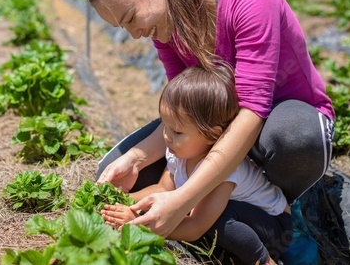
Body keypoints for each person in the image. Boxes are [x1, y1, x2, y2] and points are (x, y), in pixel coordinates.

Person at [85, 0, 335, 240]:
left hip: (277, 121)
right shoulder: (166, 24)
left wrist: (182, 199)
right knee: (116, 176)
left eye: (132, 17)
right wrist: (135, 159)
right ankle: (229, 209)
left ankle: (288, 209)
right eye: (123, 27)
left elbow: (253, 110)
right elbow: (183, 113)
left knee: (293, 140)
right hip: (220, 123)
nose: (135, 34)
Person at [101, 64, 293, 264]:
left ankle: (263, 260)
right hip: (237, 222)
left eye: (177, 131)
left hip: (273, 227)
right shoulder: (179, 152)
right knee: (205, 219)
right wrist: (126, 203)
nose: (167, 137)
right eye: (165, 126)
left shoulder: (225, 171)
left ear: (213, 134)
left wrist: (136, 224)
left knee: (216, 221)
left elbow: (196, 226)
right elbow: (162, 189)